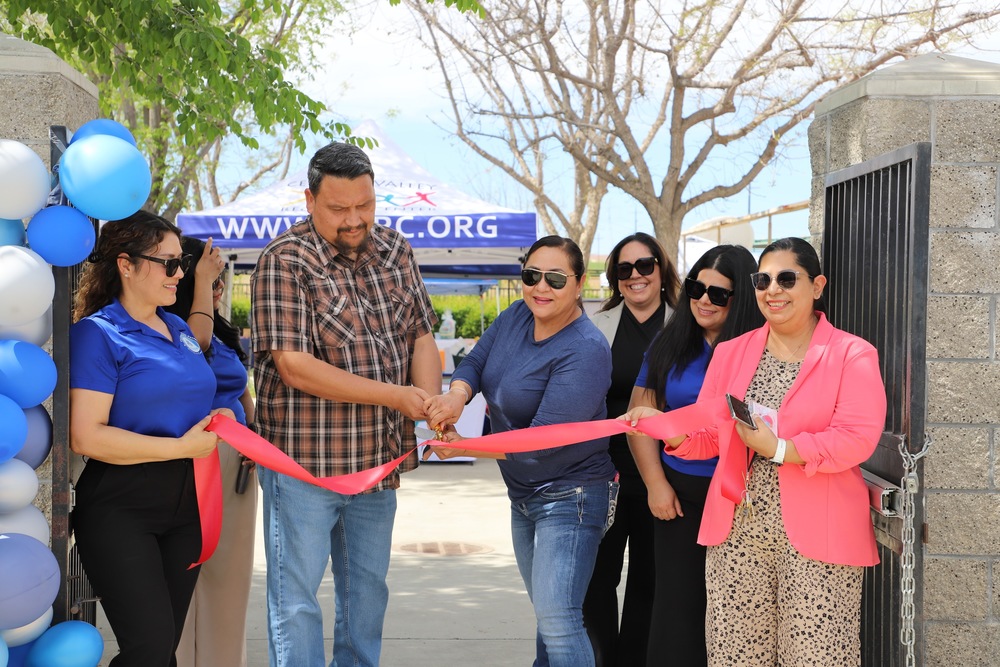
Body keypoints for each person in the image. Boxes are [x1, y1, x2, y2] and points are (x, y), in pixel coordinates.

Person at [624, 237, 886, 667]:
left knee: (815, 657)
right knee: (736, 656)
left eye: (787, 279)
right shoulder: (732, 352)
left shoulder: (851, 353)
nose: (773, 290)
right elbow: (710, 437)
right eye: (763, 280)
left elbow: (856, 438)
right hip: (738, 536)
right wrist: (671, 432)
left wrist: (782, 448)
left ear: (817, 285)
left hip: (818, 538)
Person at [250, 141, 440, 667]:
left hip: (377, 464)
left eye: (365, 205)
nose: (355, 220)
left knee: (367, 595)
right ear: (310, 200)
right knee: (296, 600)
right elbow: (295, 366)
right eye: (339, 209)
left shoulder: (396, 249)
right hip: (303, 468)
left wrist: (431, 407)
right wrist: (397, 396)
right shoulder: (284, 260)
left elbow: (421, 338)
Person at [424, 235, 619, 667]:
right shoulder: (517, 314)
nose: (540, 287)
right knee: (549, 621)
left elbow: (541, 441)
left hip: (572, 496)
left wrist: (467, 447)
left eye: (555, 278)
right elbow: (475, 362)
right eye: (531, 275)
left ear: (579, 284)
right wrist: (456, 397)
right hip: (525, 496)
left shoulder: (586, 349)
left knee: (559, 621)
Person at [69, 212, 229, 666]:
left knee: (161, 650)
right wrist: (179, 448)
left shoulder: (178, 328)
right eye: (169, 263)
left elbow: (179, 398)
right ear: (126, 264)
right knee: (150, 648)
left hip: (188, 505)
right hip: (121, 506)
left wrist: (212, 418)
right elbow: (85, 436)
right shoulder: (97, 334)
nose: (179, 273)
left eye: (182, 263)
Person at [625, 244, 762, 666]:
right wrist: (655, 484)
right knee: (677, 607)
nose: (704, 300)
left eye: (718, 293)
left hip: (744, 499)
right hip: (679, 496)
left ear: (741, 298)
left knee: (737, 612)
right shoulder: (671, 341)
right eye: (696, 288)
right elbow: (639, 417)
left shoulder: (761, 348)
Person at [583, 232, 679, 667]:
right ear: (615, 277)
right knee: (597, 580)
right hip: (603, 472)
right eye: (625, 268)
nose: (636, 275)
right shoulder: (594, 326)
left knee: (650, 580)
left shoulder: (686, 325)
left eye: (645, 265)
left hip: (665, 474)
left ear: (661, 270)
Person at [168, 236, 256, 667]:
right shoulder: (170, 326)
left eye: (220, 279)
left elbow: (241, 389)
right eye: (212, 278)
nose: (220, 286)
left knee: (230, 575)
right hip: (193, 459)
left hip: (237, 462)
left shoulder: (222, 330)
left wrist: (255, 437)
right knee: (184, 572)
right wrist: (202, 281)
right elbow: (195, 344)